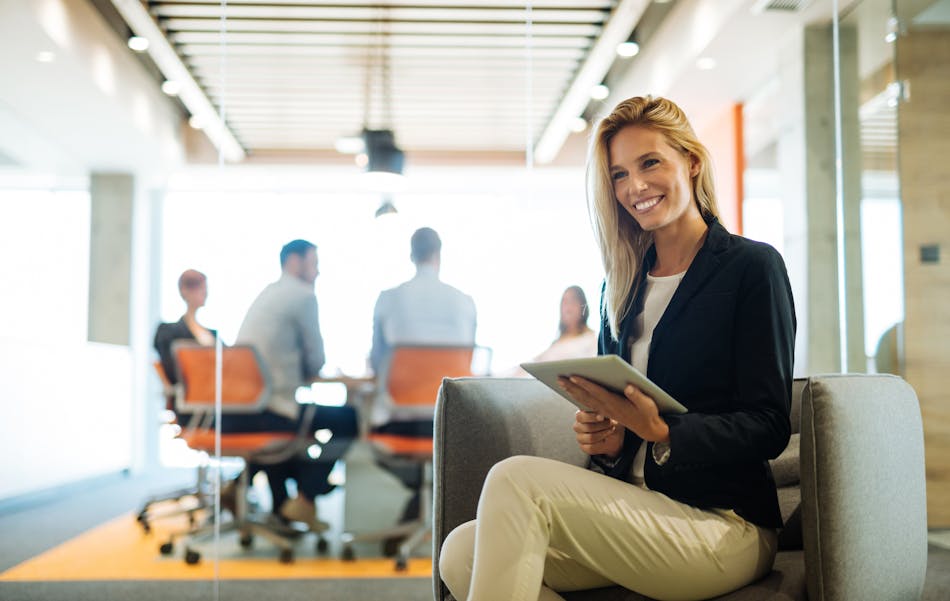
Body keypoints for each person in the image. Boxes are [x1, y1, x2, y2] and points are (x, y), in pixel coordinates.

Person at [438, 95, 796, 601]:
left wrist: (663, 430)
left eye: (650, 163)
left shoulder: (751, 268)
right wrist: (610, 442)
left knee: (516, 481)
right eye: (620, 175)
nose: (635, 187)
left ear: (691, 162)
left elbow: (770, 424)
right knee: (460, 551)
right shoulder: (619, 287)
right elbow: (623, 441)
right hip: (635, 512)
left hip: (724, 523)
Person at [229, 239, 358, 533]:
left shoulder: (268, 293)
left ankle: (279, 506)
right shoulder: (302, 296)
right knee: (349, 419)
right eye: (314, 263)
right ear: (294, 262)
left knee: (301, 424)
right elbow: (316, 359)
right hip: (272, 407)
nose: (318, 271)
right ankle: (307, 496)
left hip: (246, 407)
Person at [369, 226, 477, 552]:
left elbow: (377, 362)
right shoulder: (464, 301)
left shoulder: (388, 298)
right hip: (452, 422)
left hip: (398, 423)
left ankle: (421, 507)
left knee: (371, 435)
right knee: (439, 453)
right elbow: (466, 362)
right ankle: (429, 508)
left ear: (411, 255)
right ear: (438, 255)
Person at [153, 269, 217, 407]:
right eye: (200, 288)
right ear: (185, 291)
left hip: (218, 398)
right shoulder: (168, 332)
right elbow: (172, 374)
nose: (205, 293)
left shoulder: (213, 334)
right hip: (192, 402)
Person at [509, 285, 597, 376]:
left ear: (583, 305)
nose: (568, 308)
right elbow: (532, 364)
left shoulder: (591, 339)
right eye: (564, 302)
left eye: (573, 301)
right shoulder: (556, 344)